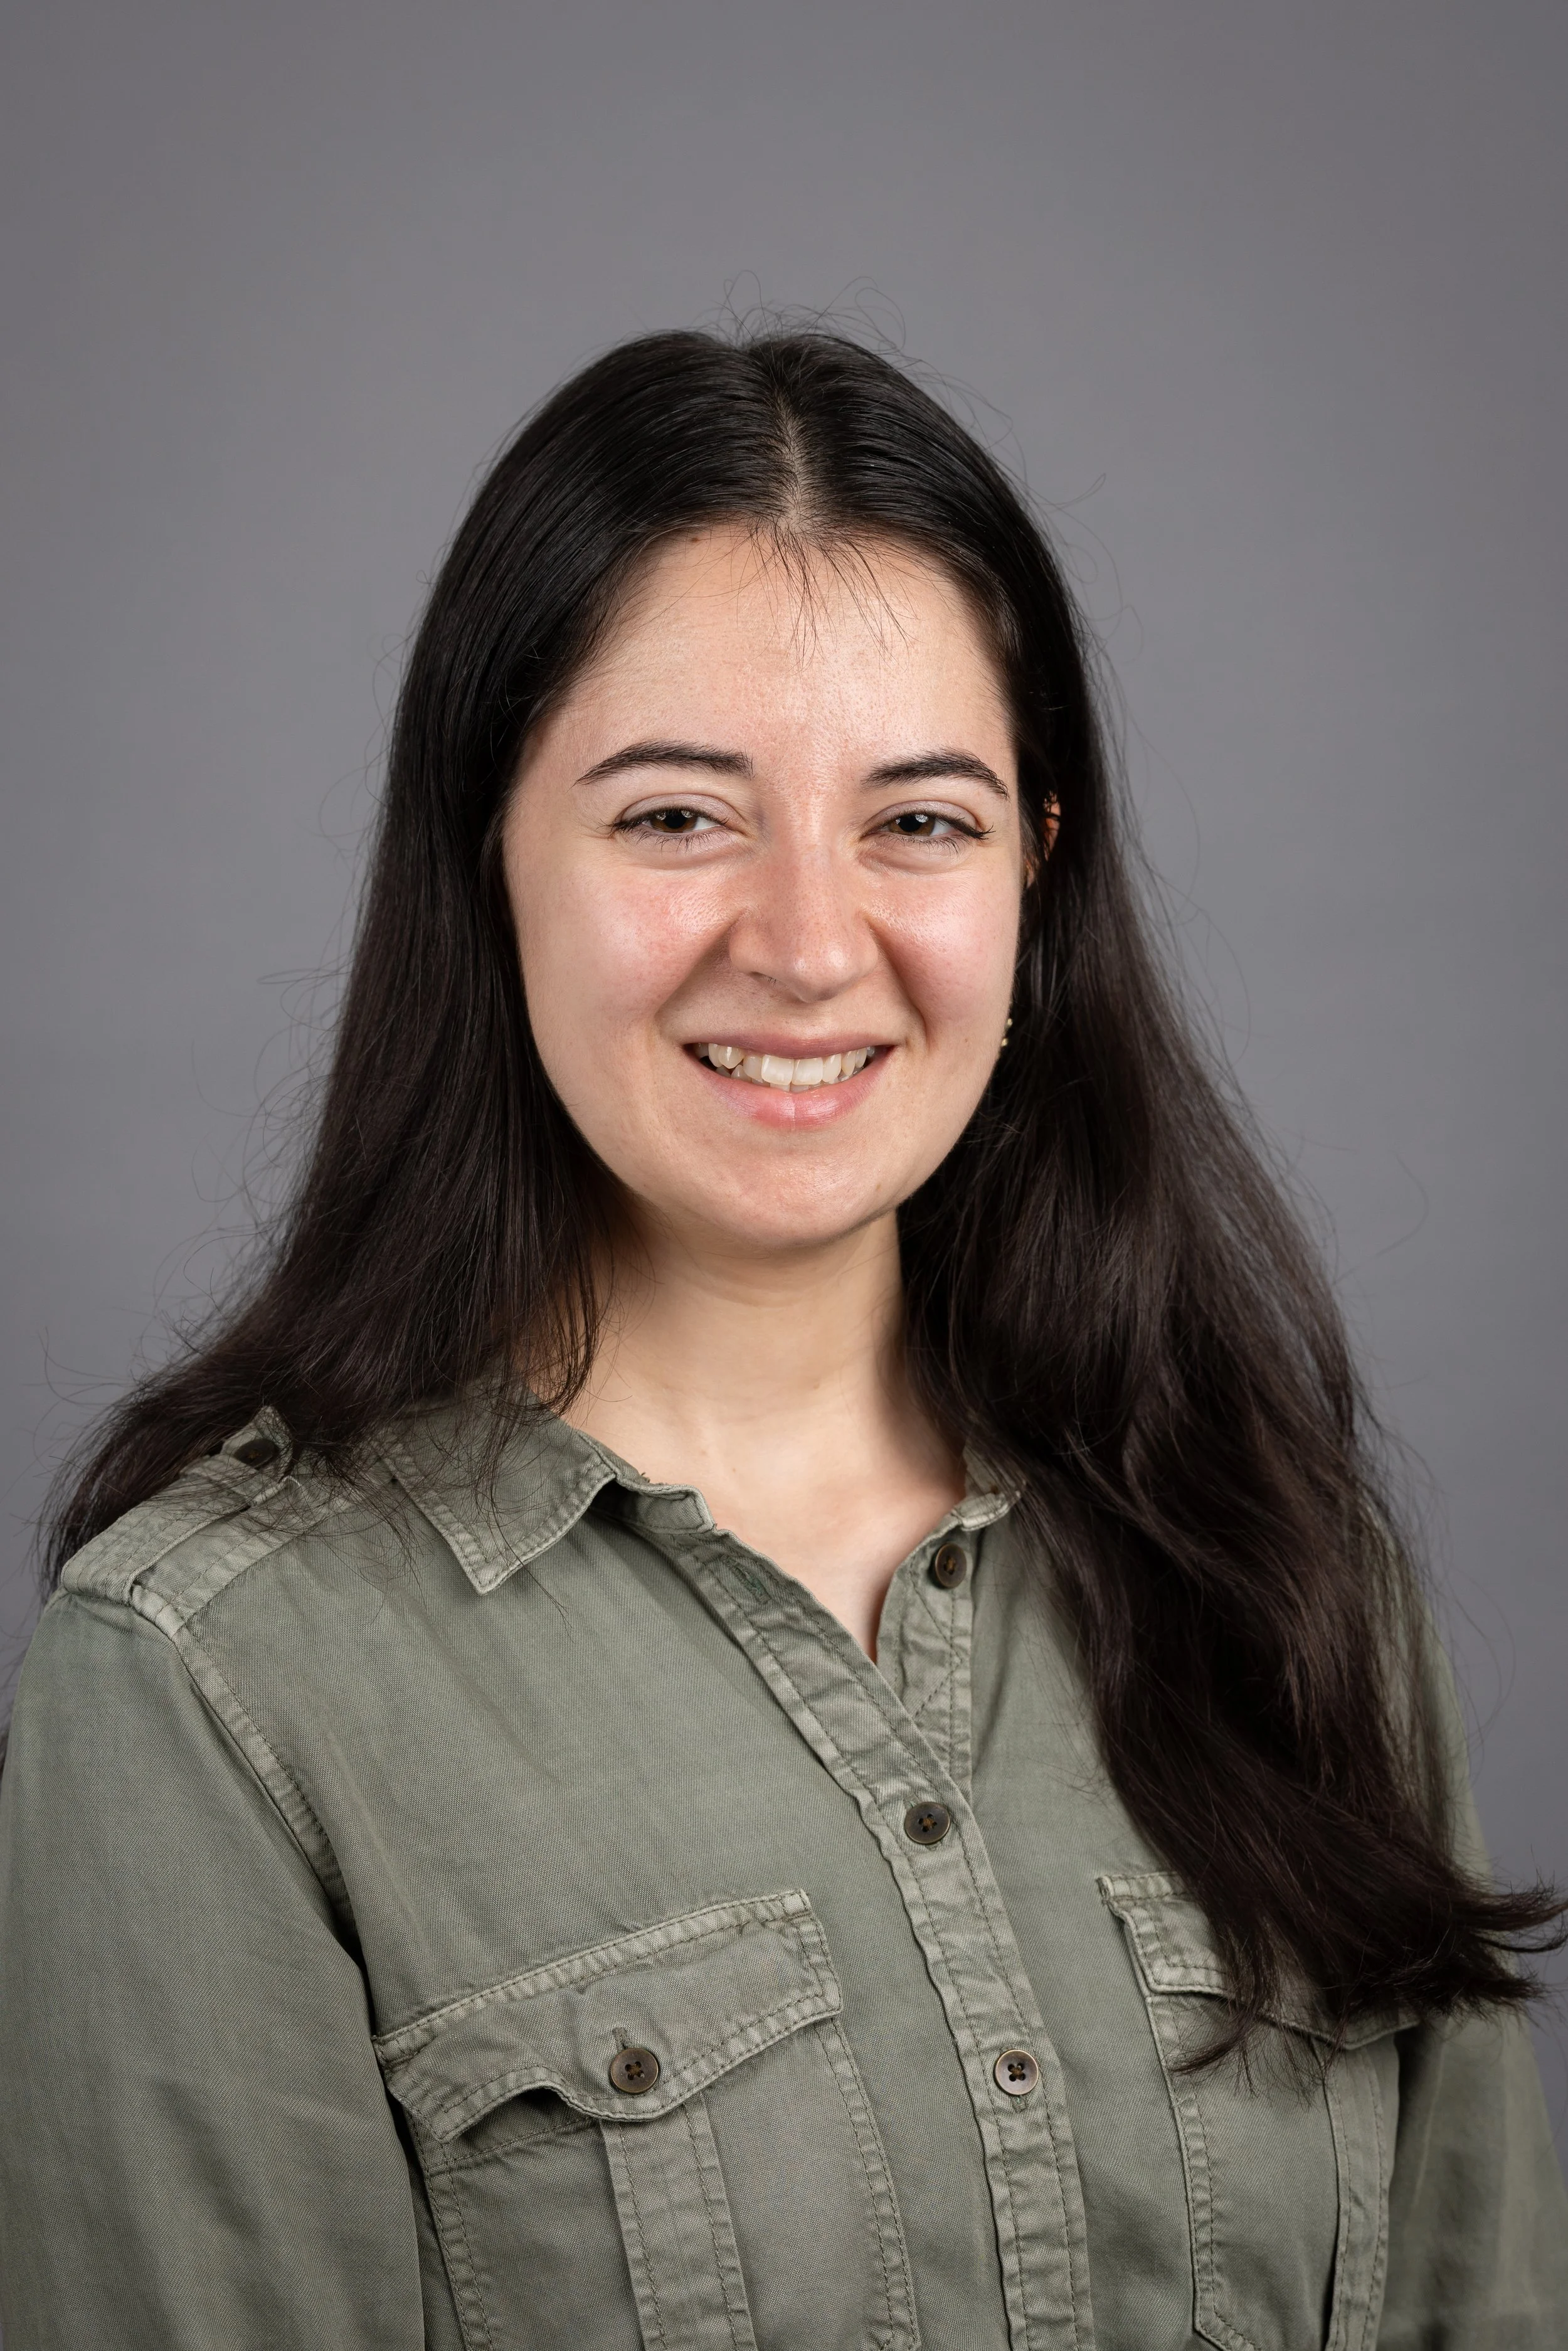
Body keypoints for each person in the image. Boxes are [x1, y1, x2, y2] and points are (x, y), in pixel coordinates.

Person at [0, 328, 1562, 2351]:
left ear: (1035, 872)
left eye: (918, 820)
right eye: (675, 818)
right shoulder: (210, 1694)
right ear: (490, 861)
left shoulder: (1278, 1567)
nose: (811, 943)